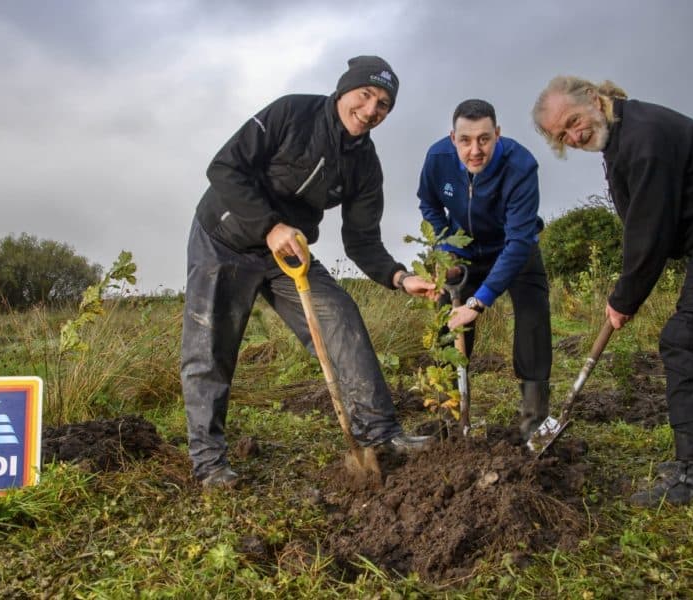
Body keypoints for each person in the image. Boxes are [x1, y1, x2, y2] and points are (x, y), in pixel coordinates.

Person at [182, 55, 436, 488]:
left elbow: (362, 241)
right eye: (366, 95)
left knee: (341, 317)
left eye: (384, 105)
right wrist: (269, 225)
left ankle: (380, 434)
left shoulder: (364, 165)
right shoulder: (291, 113)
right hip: (223, 239)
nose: (372, 110)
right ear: (344, 90)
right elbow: (223, 166)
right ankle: (209, 463)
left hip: (289, 255)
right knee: (210, 347)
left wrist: (398, 276)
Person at [532, 76, 693, 506]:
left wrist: (624, 297)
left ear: (593, 98)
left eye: (572, 122)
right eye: (562, 135)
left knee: (689, 335)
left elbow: (649, 229)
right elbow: (642, 224)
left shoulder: (643, 136)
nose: (574, 135)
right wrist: (629, 291)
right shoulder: (619, 138)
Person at [417, 98, 553, 446]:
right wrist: (445, 246)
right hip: (463, 251)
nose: (475, 150)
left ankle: (534, 418)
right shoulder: (437, 160)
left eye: (484, 139)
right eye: (465, 140)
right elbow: (429, 203)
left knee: (533, 318)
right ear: (452, 138)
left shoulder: (521, 165)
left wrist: (479, 302)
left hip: (514, 248)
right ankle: (449, 414)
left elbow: (520, 241)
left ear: (498, 135)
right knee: (448, 324)